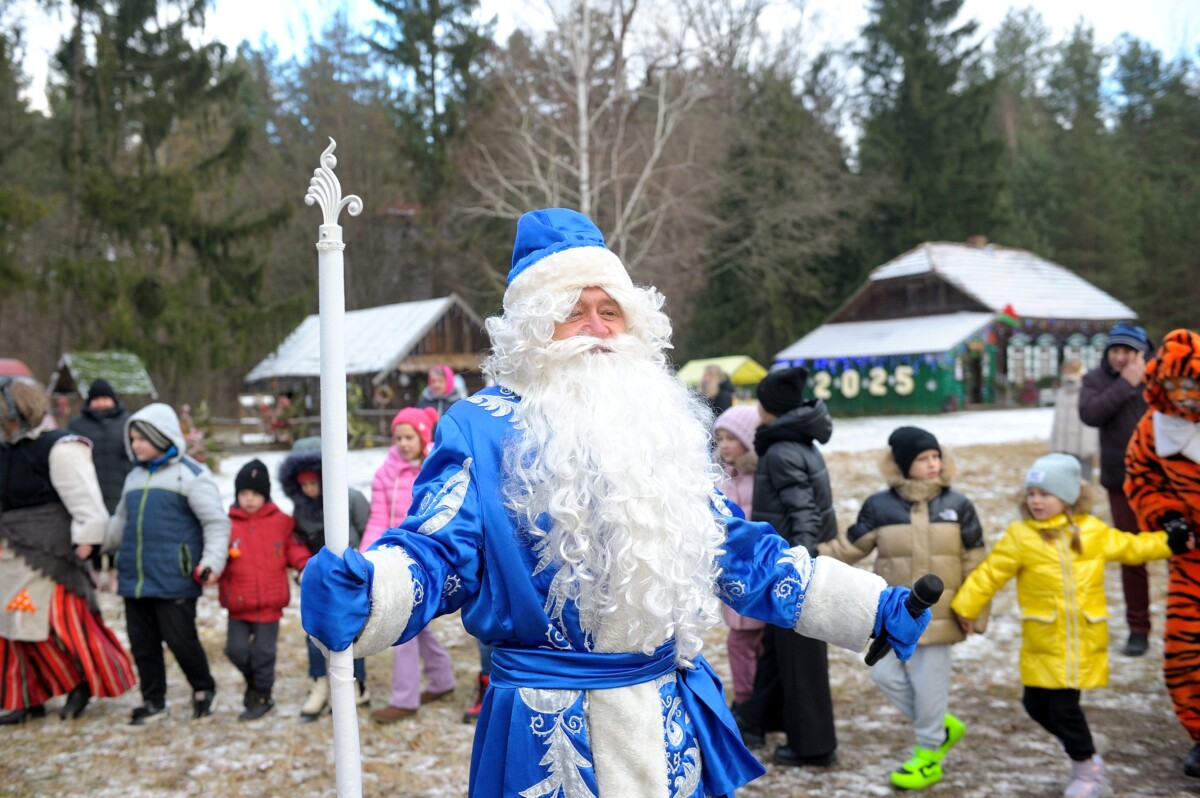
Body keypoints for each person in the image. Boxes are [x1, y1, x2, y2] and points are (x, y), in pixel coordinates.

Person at [301, 208, 930, 798]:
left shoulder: (658, 424)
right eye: (575, 312)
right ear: (532, 330)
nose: (599, 330)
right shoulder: (483, 427)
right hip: (551, 738)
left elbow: (735, 552)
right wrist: (372, 593)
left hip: (666, 721)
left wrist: (867, 607)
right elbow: (438, 551)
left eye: (611, 310)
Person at [951, 453, 1191, 798]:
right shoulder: (1021, 536)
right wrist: (966, 605)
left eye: (1045, 494)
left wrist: (1170, 541)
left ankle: (1088, 770)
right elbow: (991, 574)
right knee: (1033, 706)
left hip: (1080, 640)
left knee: (1064, 708)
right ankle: (1084, 743)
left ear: (1067, 497)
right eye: (1031, 494)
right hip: (1042, 639)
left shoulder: (1091, 532)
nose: (1036, 501)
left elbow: (1132, 547)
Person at [820, 426, 986, 789]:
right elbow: (850, 546)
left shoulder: (958, 505)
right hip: (895, 615)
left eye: (935, 456)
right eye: (923, 458)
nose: (932, 464)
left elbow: (976, 560)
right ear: (902, 464)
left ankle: (928, 755)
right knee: (884, 674)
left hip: (941, 617)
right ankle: (941, 726)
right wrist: (808, 556)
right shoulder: (880, 506)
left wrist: (974, 609)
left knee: (930, 687)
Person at [0, 378, 136, 724]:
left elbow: (86, 502)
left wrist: (86, 541)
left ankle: (80, 684)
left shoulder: (59, 447)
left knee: (59, 628)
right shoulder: (3, 449)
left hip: (51, 557)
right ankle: (25, 696)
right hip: (8, 556)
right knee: (12, 629)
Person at [734, 367, 840, 768]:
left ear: (769, 408)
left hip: (793, 567)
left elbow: (804, 513)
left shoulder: (780, 451)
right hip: (787, 562)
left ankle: (815, 746)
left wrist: (801, 570)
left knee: (801, 657)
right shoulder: (798, 443)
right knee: (777, 650)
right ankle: (756, 719)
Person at [104, 402, 229, 725]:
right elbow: (120, 520)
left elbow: (216, 523)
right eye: (132, 439)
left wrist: (212, 561)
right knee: (142, 644)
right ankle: (153, 701)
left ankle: (204, 688)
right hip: (136, 577)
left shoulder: (191, 475)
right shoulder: (134, 476)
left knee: (180, 640)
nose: (134, 446)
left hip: (176, 576)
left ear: (161, 437)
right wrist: (100, 543)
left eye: (140, 439)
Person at [1123, 328, 1200, 778]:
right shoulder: (1153, 429)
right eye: (1175, 386)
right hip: (1192, 557)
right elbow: (1140, 478)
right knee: (1184, 650)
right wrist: (1166, 515)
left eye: (1193, 384)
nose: (1185, 395)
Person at [362, 407, 456, 723]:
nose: (403, 443)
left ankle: (404, 700)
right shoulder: (386, 473)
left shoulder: (434, 470)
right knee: (416, 624)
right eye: (398, 437)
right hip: (392, 558)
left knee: (403, 624)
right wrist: (367, 554)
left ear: (422, 436)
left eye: (409, 437)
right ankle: (442, 680)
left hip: (425, 556)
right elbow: (377, 517)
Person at [279, 436, 371, 721]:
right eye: (303, 484)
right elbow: (298, 542)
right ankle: (319, 683)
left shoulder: (352, 499)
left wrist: (362, 566)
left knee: (353, 632)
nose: (309, 489)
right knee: (314, 633)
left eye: (313, 482)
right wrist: (301, 567)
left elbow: (369, 531)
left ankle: (358, 686)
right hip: (318, 584)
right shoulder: (300, 511)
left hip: (350, 580)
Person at [1078, 322, 1153, 656]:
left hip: (1165, 481)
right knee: (1132, 555)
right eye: (1115, 350)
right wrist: (1125, 384)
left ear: (1142, 351)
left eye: (1128, 351)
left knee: (1184, 552)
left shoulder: (1159, 375)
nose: (1121, 357)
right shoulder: (1095, 380)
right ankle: (1139, 627)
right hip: (1122, 483)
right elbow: (1090, 413)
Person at [219, 459, 310, 721]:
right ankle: (254, 683)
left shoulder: (281, 522)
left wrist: (305, 565)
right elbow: (215, 553)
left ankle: (262, 696)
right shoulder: (227, 525)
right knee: (235, 649)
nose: (249, 499)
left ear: (265, 495)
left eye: (256, 494)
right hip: (238, 602)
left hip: (270, 603)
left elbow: (294, 547)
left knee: (264, 654)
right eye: (244, 493)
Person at [711, 405, 762, 710]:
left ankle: (755, 701)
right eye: (720, 438)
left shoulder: (761, 478)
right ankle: (746, 699)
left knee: (751, 642)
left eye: (733, 438)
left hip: (759, 571)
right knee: (739, 641)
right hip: (736, 574)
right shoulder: (723, 481)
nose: (725, 445)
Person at [68, 378, 133, 589]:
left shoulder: (127, 423)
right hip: (89, 487)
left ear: (113, 400)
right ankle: (93, 573)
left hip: (120, 484)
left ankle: (116, 574)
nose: (101, 404)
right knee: (93, 529)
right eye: (97, 400)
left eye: (105, 399)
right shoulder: (77, 425)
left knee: (119, 530)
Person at [1050, 359, 1098, 482]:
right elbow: (1057, 423)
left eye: (1071, 371)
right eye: (1066, 371)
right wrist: (1055, 445)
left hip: (1081, 448)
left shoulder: (1086, 391)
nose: (1068, 374)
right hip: (1063, 448)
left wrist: (1088, 447)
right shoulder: (1062, 393)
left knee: (1084, 483)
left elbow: (1088, 423)